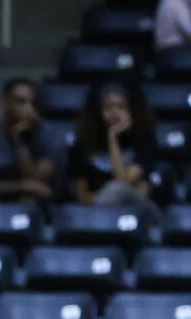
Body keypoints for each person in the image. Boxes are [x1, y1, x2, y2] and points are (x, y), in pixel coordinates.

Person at [61, 83, 163, 218]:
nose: (114, 113)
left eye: (121, 107)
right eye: (108, 107)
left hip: (138, 213)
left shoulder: (145, 142)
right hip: (95, 213)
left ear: (130, 111)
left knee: (117, 189)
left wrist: (113, 138)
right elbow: (82, 197)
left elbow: (124, 183)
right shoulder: (82, 146)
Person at [0, 79, 61, 204]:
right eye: (21, 102)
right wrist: (23, 185)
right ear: (5, 103)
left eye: (32, 103)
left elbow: (38, 180)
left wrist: (21, 144)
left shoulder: (50, 134)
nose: (28, 109)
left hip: (37, 208)